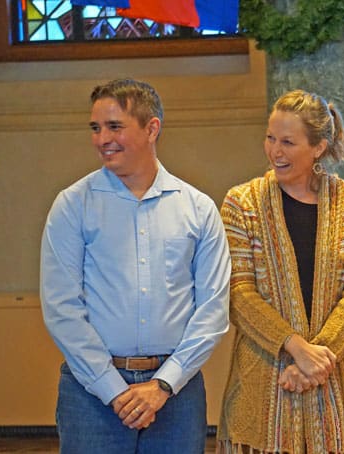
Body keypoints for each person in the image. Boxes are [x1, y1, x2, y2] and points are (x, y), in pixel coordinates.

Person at [40, 78, 231, 453]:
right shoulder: (74, 204)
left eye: (115, 126)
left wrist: (163, 385)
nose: (102, 138)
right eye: (95, 128)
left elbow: (212, 310)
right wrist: (113, 389)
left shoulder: (196, 208)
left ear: (152, 128)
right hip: (92, 391)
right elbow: (62, 307)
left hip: (176, 392)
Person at [216, 89, 344, 453]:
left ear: (319, 147)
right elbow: (238, 290)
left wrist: (315, 358)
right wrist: (294, 347)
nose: (275, 151)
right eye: (271, 138)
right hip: (265, 384)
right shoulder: (241, 202)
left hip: (340, 384)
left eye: (288, 142)